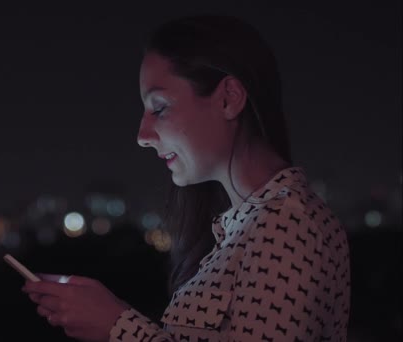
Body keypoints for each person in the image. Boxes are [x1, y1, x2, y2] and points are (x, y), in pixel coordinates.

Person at [22, 14, 350, 341]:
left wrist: (117, 327)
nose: (142, 135)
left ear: (229, 98)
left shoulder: (287, 225)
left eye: (159, 107)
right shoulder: (244, 227)